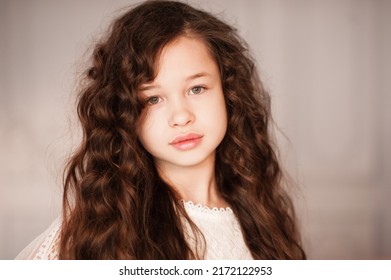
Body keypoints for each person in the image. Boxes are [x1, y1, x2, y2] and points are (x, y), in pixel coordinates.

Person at [16, 0, 306, 260]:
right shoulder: (99, 227)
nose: (181, 116)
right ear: (125, 111)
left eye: (196, 88)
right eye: (153, 98)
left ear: (228, 92)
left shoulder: (262, 214)